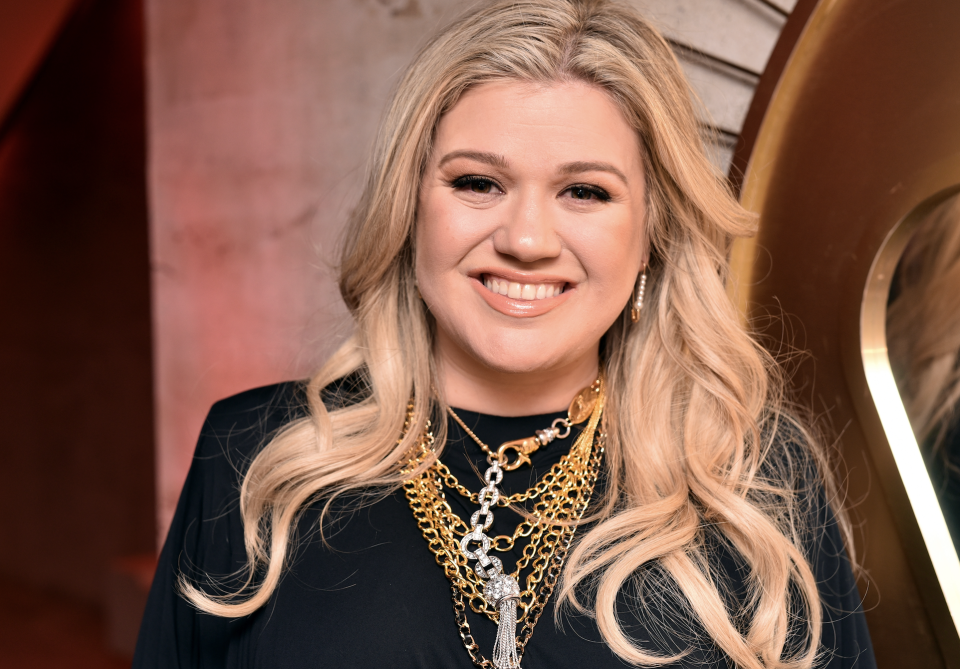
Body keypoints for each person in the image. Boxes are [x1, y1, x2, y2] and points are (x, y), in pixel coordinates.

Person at [133, 1, 875, 667]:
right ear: (409, 209)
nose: (526, 239)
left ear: (652, 232)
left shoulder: (754, 479)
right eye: (477, 183)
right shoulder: (254, 460)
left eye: (585, 192)